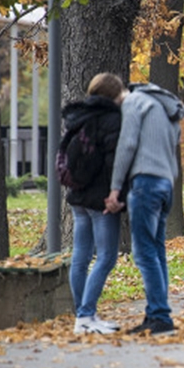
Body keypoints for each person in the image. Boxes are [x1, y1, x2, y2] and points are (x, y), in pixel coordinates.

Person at [105, 82, 184, 335]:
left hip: (146, 183)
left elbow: (128, 144)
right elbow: (175, 143)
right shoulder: (163, 107)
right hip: (165, 183)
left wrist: (115, 187)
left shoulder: (133, 102)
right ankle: (156, 314)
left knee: (144, 253)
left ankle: (160, 316)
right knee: (157, 251)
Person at [62, 73, 126, 335]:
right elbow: (114, 160)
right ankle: (86, 315)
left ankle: (83, 316)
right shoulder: (111, 119)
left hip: (78, 196)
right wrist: (116, 194)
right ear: (113, 94)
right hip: (101, 199)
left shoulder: (77, 117)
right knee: (107, 257)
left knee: (81, 257)